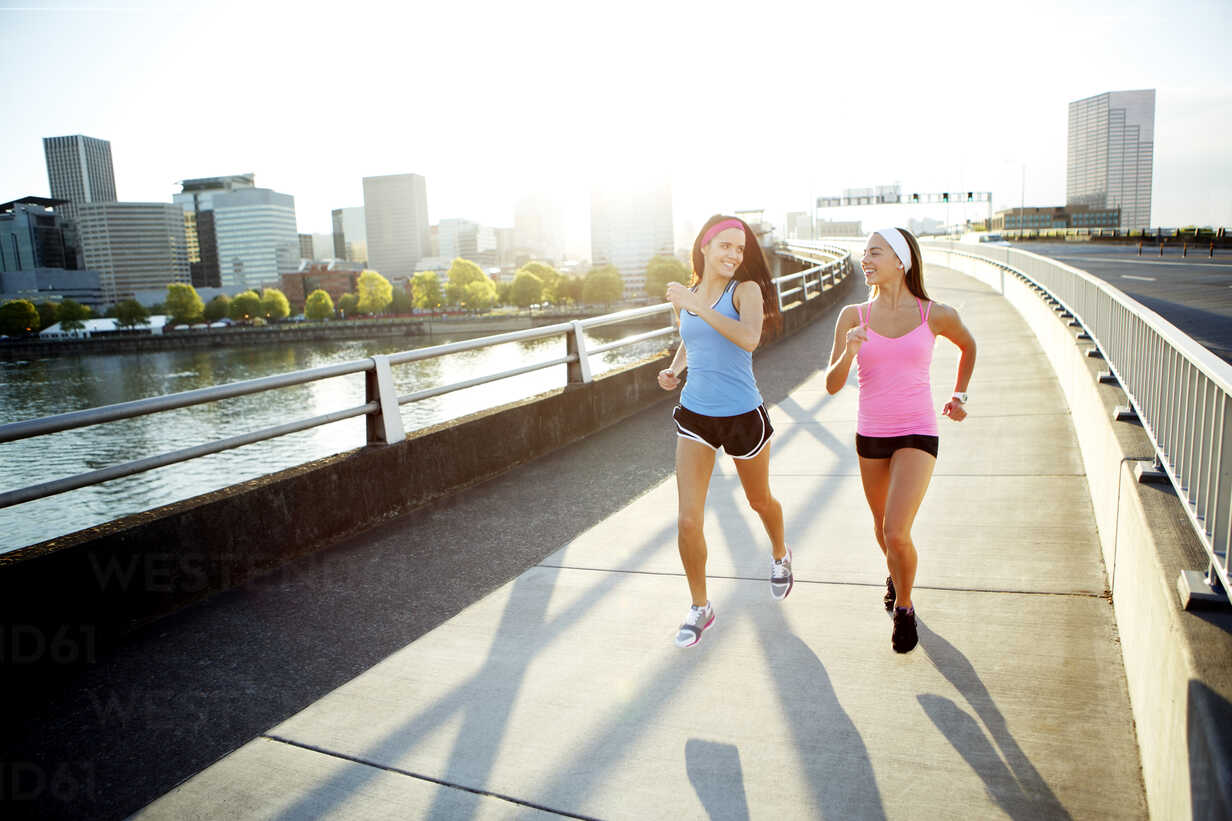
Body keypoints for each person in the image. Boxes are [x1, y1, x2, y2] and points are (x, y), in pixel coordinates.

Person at [824, 227, 976, 653]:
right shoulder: (853, 316)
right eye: (864, 253)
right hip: (871, 434)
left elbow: (969, 345)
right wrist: (848, 352)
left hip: (918, 430)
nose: (865, 259)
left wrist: (959, 394)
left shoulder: (934, 314)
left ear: (901, 260)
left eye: (875, 252)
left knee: (895, 529)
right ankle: (896, 574)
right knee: (882, 528)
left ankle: (905, 608)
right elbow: (832, 384)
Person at [658, 214, 787, 649]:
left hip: (741, 415)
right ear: (705, 247)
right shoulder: (693, 293)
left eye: (740, 248)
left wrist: (696, 307)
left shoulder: (745, 291)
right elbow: (693, 338)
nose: (734, 254)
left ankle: (780, 554)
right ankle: (700, 606)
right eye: (726, 246)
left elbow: (749, 338)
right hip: (695, 414)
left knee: (758, 500)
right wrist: (675, 369)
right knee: (688, 519)